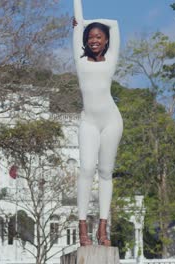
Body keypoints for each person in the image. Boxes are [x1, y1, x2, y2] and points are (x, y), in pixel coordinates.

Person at [73, 0, 122, 247]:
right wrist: (79, 23)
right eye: (90, 36)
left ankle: (103, 228)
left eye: (99, 37)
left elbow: (114, 25)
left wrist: (93, 22)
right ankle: (82, 227)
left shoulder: (111, 59)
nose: (94, 40)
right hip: (88, 121)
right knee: (85, 169)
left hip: (111, 121)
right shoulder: (80, 60)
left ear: (105, 41)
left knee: (105, 173)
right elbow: (77, 15)